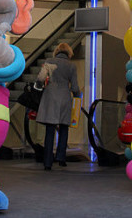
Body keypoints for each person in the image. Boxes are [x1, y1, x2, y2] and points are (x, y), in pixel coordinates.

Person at [36, 42, 81, 170]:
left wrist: (39, 87)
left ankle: (47, 162)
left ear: (57, 51)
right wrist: (77, 96)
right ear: (69, 53)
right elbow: (75, 87)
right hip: (65, 98)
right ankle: (61, 158)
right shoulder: (71, 66)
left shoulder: (49, 61)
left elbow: (40, 78)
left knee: (50, 129)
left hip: (50, 97)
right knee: (64, 128)